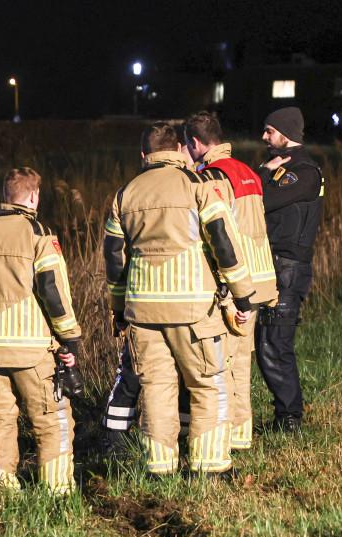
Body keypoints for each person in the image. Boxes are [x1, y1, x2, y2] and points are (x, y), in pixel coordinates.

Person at [103, 123, 255, 478]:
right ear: (179, 150)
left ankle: (160, 466)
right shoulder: (198, 185)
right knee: (208, 383)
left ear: (144, 155)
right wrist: (243, 295)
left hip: (142, 311)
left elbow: (114, 261)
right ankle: (211, 467)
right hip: (193, 309)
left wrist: (118, 309)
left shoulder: (125, 194)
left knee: (156, 388)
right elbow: (224, 243)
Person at [0, 167, 83, 494]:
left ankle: (2, 492)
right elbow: (53, 291)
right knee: (51, 418)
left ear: (6, 195)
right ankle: (58, 493)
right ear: (32, 196)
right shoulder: (39, 233)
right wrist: (69, 337)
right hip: (31, 348)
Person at [185, 110, 279, 451]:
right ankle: (241, 436)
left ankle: (224, 436)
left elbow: (219, 236)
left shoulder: (212, 177)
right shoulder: (247, 172)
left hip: (235, 283)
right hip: (259, 279)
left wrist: (226, 287)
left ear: (194, 143)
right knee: (241, 362)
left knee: (221, 365)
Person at [256, 106, 324, 432]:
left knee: (274, 344)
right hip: (276, 266)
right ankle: (286, 415)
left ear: (286, 133)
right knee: (268, 343)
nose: (264, 137)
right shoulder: (286, 168)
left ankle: (289, 420)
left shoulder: (304, 171)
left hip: (288, 268)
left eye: (270, 131)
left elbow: (259, 201)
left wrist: (265, 173)